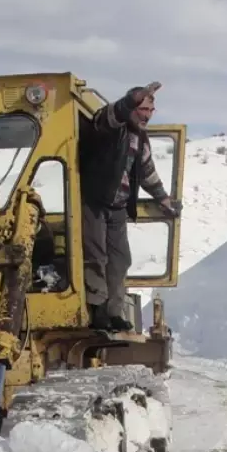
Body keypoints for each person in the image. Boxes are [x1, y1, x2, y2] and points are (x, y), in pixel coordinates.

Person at [78, 82, 181, 331]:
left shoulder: (140, 138)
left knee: (120, 259)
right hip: (94, 201)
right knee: (96, 258)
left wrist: (164, 199)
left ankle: (114, 312)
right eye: (143, 109)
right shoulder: (111, 129)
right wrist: (131, 99)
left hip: (118, 207)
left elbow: (146, 172)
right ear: (131, 107)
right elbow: (110, 116)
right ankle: (97, 310)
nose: (147, 115)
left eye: (150, 111)